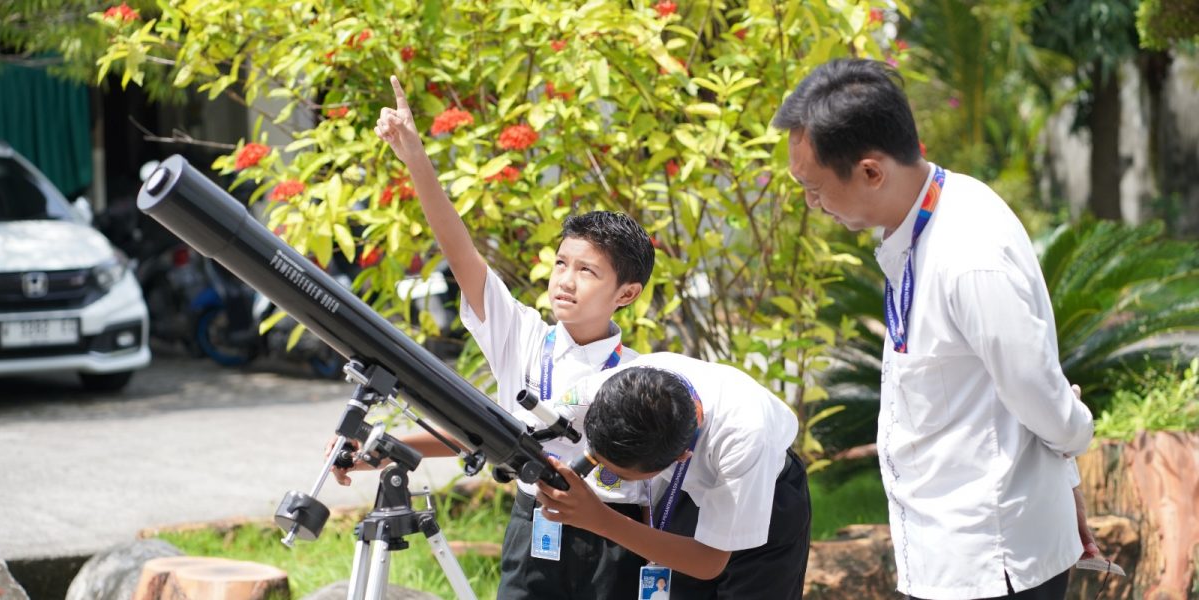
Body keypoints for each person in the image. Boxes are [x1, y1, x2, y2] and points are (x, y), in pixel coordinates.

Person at [772, 58, 1099, 599]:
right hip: (949, 551)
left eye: (814, 188)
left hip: (991, 560)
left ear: (871, 172)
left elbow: (1036, 390)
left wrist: (1075, 441)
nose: (813, 204)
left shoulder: (968, 253)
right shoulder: (921, 223)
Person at [352, 75, 657, 599]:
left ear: (626, 293)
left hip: (615, 538)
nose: (565, 281)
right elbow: (460, 252)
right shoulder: (522, 336)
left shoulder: (640, 375)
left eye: (586, 271)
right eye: (561, 263)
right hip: (532, 528)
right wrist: (415, 159)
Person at [535, 353, 811, 599]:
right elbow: (537, 423)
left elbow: (709, 561)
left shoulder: (746, 436)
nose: (602, 474)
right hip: (688, 490)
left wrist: (597, 518)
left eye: (619, 475)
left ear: (681, 456)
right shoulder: (621, 386)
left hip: (764, 497)